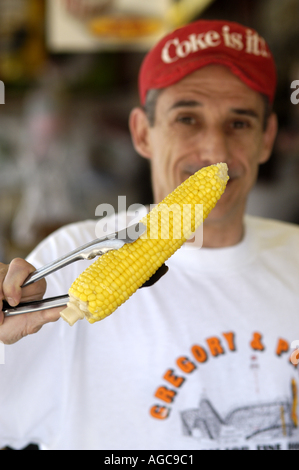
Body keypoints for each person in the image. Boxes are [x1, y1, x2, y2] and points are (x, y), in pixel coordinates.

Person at [0, 19, 298, 451]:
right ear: (142, 133)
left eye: (240, 123)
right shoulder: (64, 262)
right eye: (187, 118)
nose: (215, 150)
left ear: (266, 139)